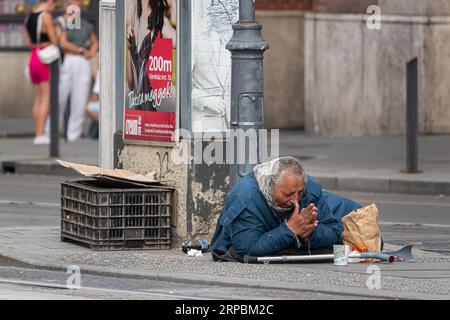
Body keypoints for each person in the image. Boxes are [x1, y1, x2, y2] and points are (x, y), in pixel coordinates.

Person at [210, 157, 363, 262]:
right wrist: (290, 230)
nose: (296, 200)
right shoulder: (245, 197)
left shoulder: (310, 190)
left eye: (300, 192)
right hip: (250, 238)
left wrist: (308, 234)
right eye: (287, 194)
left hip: (287, 235)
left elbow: (335, 231)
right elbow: (248, 249)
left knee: (349, 209)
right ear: (271, 187)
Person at [56, 0, 99, 142]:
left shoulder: (86, 24)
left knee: (79, 100)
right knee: (60, 97)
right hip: (69, 60)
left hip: (82, 62)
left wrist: (91, 53)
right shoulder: (62, 22)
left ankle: (73, 134)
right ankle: (53, 132)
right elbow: (63, 43)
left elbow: (95, 42)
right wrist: (81, 50)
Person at [126, 0, 176, 111]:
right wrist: (129, 49)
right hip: (138, 105)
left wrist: (172, 5)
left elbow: (183, 43)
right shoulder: (133, 24)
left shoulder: (160, 23)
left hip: (155, 107)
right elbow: (131, 83)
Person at [23, 0, 59, 145]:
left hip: (33, 56)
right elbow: (54, 39)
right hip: (44, 58)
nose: (54, 8)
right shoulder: (46, 16)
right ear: (50, 2)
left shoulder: (29, 17)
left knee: (38, 97)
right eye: (54, 5)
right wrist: (57, 31)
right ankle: (40, 133)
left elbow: (27, 42)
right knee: (46, 97)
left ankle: (38, 132)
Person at [85, 68, 99, 140]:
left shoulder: (100, 73)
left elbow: (95, 96)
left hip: (101, 105)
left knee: (88, 108)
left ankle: (101, 121)